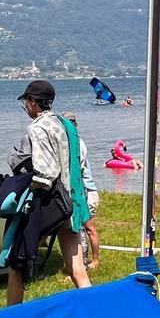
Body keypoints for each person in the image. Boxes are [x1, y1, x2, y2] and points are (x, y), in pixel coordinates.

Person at [6, 79, 91, 305]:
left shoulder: (38, 128)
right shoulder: (66, 125)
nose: (25, 106)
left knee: (16, 262)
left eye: (26, 101)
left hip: (49, 205)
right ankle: (94, 313)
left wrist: (23, 187)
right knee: (77, 269)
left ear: (34, 102)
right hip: (70, 205)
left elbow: (46, 173)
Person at [62, 113, 101, 269]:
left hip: (86, 191)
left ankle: (89, 263)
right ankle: (89, 262)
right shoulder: (75, 142)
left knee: (86, 228)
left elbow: (76, 169)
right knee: (87, 228)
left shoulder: (77, 143)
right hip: (85, 190)